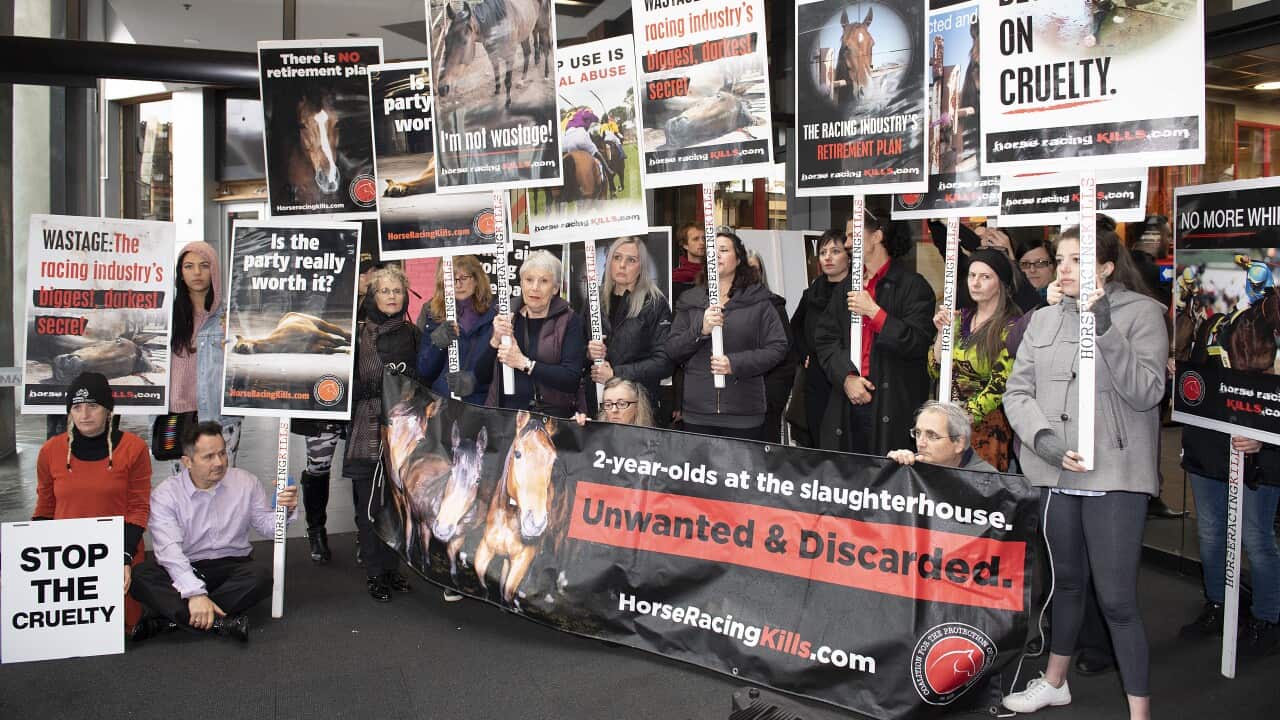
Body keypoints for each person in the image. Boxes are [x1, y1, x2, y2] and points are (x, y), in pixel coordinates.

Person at [1002, 221, 1168, 719]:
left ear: (1105, 267)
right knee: (1065, 585)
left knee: (1117, 601)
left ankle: (1139, 711)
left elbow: (1147, 392)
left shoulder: (1141, 314)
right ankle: (1055, 681)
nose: (1065, 269)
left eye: (1078, 260)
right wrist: (1045, 442)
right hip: (1057, 475)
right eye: (1062, 259)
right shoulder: (1045, 319)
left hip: (1115, 476)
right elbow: (1018, 391)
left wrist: (1106, 327)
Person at [130, 422, 298, 643]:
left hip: (232, 566)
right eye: (209, 457)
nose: (219, 462)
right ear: (187, 462)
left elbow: (268, 528)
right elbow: (169, 553)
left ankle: (171, 620)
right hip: (186, 565)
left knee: (261, 577)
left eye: (222, 453)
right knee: (141, 575)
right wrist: (195, 593)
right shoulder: (166, 495)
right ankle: (220, 622)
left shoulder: (246, 482)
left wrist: (285, 511)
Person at [34, 372, 151, 635]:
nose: (85, 414)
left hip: (119, 548)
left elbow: (139, 507)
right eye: (77, 407)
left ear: (108, 410)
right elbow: (44, 508)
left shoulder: (134, 449)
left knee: (125, 626)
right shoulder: (50, 451)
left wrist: (124, 557)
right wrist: (33, 557)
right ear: (69, 413)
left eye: (93, 406)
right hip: (66, 553)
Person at [814, 209, 936, 455]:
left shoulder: (913, 286)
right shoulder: (847, 287)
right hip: (850, 400)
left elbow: (917, 342)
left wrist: (875, 313)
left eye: (852, 235)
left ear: (877, 236)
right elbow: (825, 339)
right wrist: (846, 377)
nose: (847, 243)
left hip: (892, 404)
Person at [665, 229, 788, 440]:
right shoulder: (690, 300)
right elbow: (673, 349)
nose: (717, 255)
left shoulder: (758, 301)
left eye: (724, 250)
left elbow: (778, 347)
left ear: (739, 259)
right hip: (698, 414)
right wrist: (700, 330)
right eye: (712, 251)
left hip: (744, 413)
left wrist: (735, 363)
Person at [346, 265, 420, 602]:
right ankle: (375, 573)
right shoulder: (356, 333)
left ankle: (393, 569)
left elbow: (424, 378)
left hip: (403, 427)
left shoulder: (413, 333)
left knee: (397, 503)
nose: (391, 296)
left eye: (397, 291)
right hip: (367, 423)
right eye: (384, 291)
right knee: (369, 504)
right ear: (372, 296)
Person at [1180, 426, 1280, 656]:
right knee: (1210, 533)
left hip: (1259, 454)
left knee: (1256, 538)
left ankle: (1266, 620)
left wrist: (1268, 438)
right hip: (1206, 448)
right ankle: (1219, 606)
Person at [928, 249, 1022, 471]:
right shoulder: (959, 318)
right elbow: (935, 369)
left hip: (985, 427)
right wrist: (941, 333)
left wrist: (965, 417)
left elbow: (1001, 384)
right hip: (946, 423)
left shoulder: (1012, 326)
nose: (975, 283)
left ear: (1001, 283)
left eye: (985, 277)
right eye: (972, 275)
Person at [479, 249, 586, 418]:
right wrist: (495, 340)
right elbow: (481, 376)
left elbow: (571, 378)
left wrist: (525, 363)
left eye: (544, 281)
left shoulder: (569, 320)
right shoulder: (504, 316)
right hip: (504, 418)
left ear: (555, 288)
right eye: (529, 280)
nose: (535, 287)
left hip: (549, 419)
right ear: (521, 283)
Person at [169, 240, 241, 464]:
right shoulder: (167, 317)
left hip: (220, 419)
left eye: (204, 265)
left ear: (215, 270)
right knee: (183, 490)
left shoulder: (230, 316)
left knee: (223, 487)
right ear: (180, 272)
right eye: (188, 266)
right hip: (179, 420)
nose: (196, 272)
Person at [586, 236, 673, 411]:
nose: (622, 265)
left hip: (639, 403)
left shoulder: (654, 303)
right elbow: (576, 350)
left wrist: (616, 374)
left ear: (642, 267)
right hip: (599, 400)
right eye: (617, 257)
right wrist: (588, 352)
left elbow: (664, 363)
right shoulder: (595, 299)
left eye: (631, 260)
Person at [790, 229, 850, 447]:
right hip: (815, 375)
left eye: (835, 251)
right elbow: (794, 328)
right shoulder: (811, 293)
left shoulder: (858, 292)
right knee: (816, 435)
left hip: (846, 373)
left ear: (849, 255)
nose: (828, 257)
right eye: (823, 252)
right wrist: (804, 353)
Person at [418, 254, 498, 403]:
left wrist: (476, 380)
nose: (458, 284)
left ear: (476, 279)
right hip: (444, 405)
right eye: (452, 279)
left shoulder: (497, 313)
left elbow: (503, 367)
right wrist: (437, 346)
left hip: (484, 404)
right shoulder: (433, 313)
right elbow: (425, 371)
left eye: (464, 277)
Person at [747, 248, 799, 444]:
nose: (751, 274)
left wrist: (771, 398)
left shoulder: (774, 306)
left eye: (755, 269)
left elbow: (786, 357)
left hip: (766, 402)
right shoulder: (723, 306)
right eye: (746, 268)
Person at [886, 400, 996, 471]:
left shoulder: (987, 484)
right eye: (918, 433)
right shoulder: (912, 463)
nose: (920, 443)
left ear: (959, 443)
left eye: (932, 436)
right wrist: (893, 468)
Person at [574, 377, 657, 428]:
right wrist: (578, 433)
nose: (614, 410)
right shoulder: (595, 438)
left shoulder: (653, 443)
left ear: (637, 407)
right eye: (608, 405)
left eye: (621, 404)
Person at [671, 222, 706, 301]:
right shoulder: (676, 277)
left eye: (704, 238)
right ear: (685, 245)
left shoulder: (716, 271)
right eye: (696, 239)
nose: (702, 243)